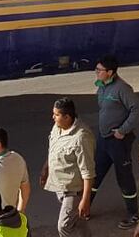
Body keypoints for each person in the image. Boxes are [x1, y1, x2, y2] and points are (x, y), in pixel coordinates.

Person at [92, 54, 139, 229]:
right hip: (104, 139)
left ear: (110, 72)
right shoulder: (102, 86)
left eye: (99, 70)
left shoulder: (122, 88)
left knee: (124, 177)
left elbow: (136, 109)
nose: (96, 72)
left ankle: (133, 214)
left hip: (118, 141)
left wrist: (122, 130)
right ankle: (83, 207)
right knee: (95, 173)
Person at [41, 97, 95, 237]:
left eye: (57, 115)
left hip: (74, 190)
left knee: (64, 226)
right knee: (77, 221)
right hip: (60, 186)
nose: (53, 117)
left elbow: (88, 171)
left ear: (67, 117)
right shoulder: (57, 128)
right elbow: (53, 150)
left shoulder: (81, 137)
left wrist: (85, 199)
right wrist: (46, 169)